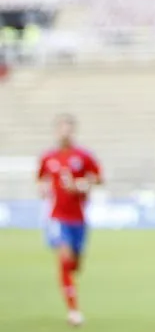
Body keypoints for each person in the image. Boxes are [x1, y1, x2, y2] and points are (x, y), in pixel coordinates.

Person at [37, 114, 101, 328]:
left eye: (68, 128)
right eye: (60, 128)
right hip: (57, 217)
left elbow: (98, 178)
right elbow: (40, 179)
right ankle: (73, 311)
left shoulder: (83, 156)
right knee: (64, 259)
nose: (64, 132)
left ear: (73, 131)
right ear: (56, 131)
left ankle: (70, 284)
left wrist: (82, 185)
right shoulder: (48, 158)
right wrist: (43, 189)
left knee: (75, 265)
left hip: (79, 219)